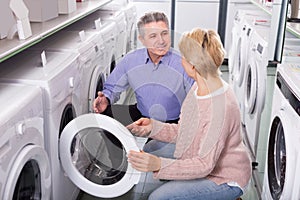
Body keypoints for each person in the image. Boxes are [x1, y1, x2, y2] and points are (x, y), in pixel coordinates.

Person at [126, 28, 251, 200]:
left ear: (192, 65)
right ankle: (182, 187)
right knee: (151, 147)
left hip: (224, 177)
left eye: (183, 56)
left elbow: (204, 165)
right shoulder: (200, 85)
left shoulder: (220, 108)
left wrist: (159, 165)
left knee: (159, 198)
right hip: (203, 156)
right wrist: (153, 127)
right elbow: (187, 131)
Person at [93, 12, 194, 157]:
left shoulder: (183, 64)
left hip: (173, 122)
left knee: (153, 160)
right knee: (106, 116)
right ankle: (119, 165)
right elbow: (111, 88)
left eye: (164, 33)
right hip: (141, 114)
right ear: (142, 40)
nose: (161, 41)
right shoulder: (131, 61)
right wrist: (106, 99)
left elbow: (197, 101)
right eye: (153, 36)